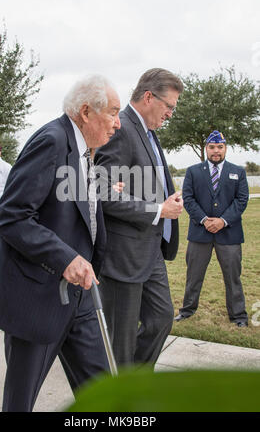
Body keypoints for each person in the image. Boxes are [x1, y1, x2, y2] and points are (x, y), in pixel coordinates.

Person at [0, 74, 121, 412]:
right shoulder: (51, 140)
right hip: (37, 296)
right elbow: (13, 216)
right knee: (20, 401)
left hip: (80, 296)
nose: (118, 124)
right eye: (114, 113)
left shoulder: (87, 151)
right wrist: (65, 258)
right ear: (86, 112)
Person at [95, 68, 184, 366]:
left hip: (151, 249)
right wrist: (159, 210)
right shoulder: (122, 129)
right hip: (124, 256)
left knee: (161, 319)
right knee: (120, 339)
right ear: (149, 97)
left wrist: (165, 202)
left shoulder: (148, 132)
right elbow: (103, 193)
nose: (171, 113)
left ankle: (135, 381)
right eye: (169, 106)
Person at [174, 130, 249, 327]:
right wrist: (205, 220)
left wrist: (222, 221)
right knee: (194, 276)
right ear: (206, 148)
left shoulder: (238, 172)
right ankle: (187, 310)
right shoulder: (193, 171)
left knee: (233, 278)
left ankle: (238, 316)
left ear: (225, 148)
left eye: (220, 147)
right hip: (200, 233)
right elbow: (188, 199)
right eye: (212, 147)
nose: (216, 151)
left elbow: (241, 201)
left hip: (229, 234)